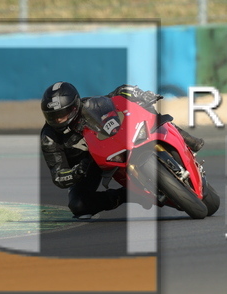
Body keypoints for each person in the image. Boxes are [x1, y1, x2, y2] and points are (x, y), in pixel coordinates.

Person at [40, 81, 204, 219]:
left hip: (113, 147)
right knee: (78, 205)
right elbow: (58, 175)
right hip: (86, 167)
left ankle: (186, 138)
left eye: (62, 114)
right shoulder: (49, 137)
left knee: (148, 111)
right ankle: (129, 195)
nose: (58, 120)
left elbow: (117, 94)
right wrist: (76, 172)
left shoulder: (91, 105)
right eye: (52, 116)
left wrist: (140, 95)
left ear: (75, 107)